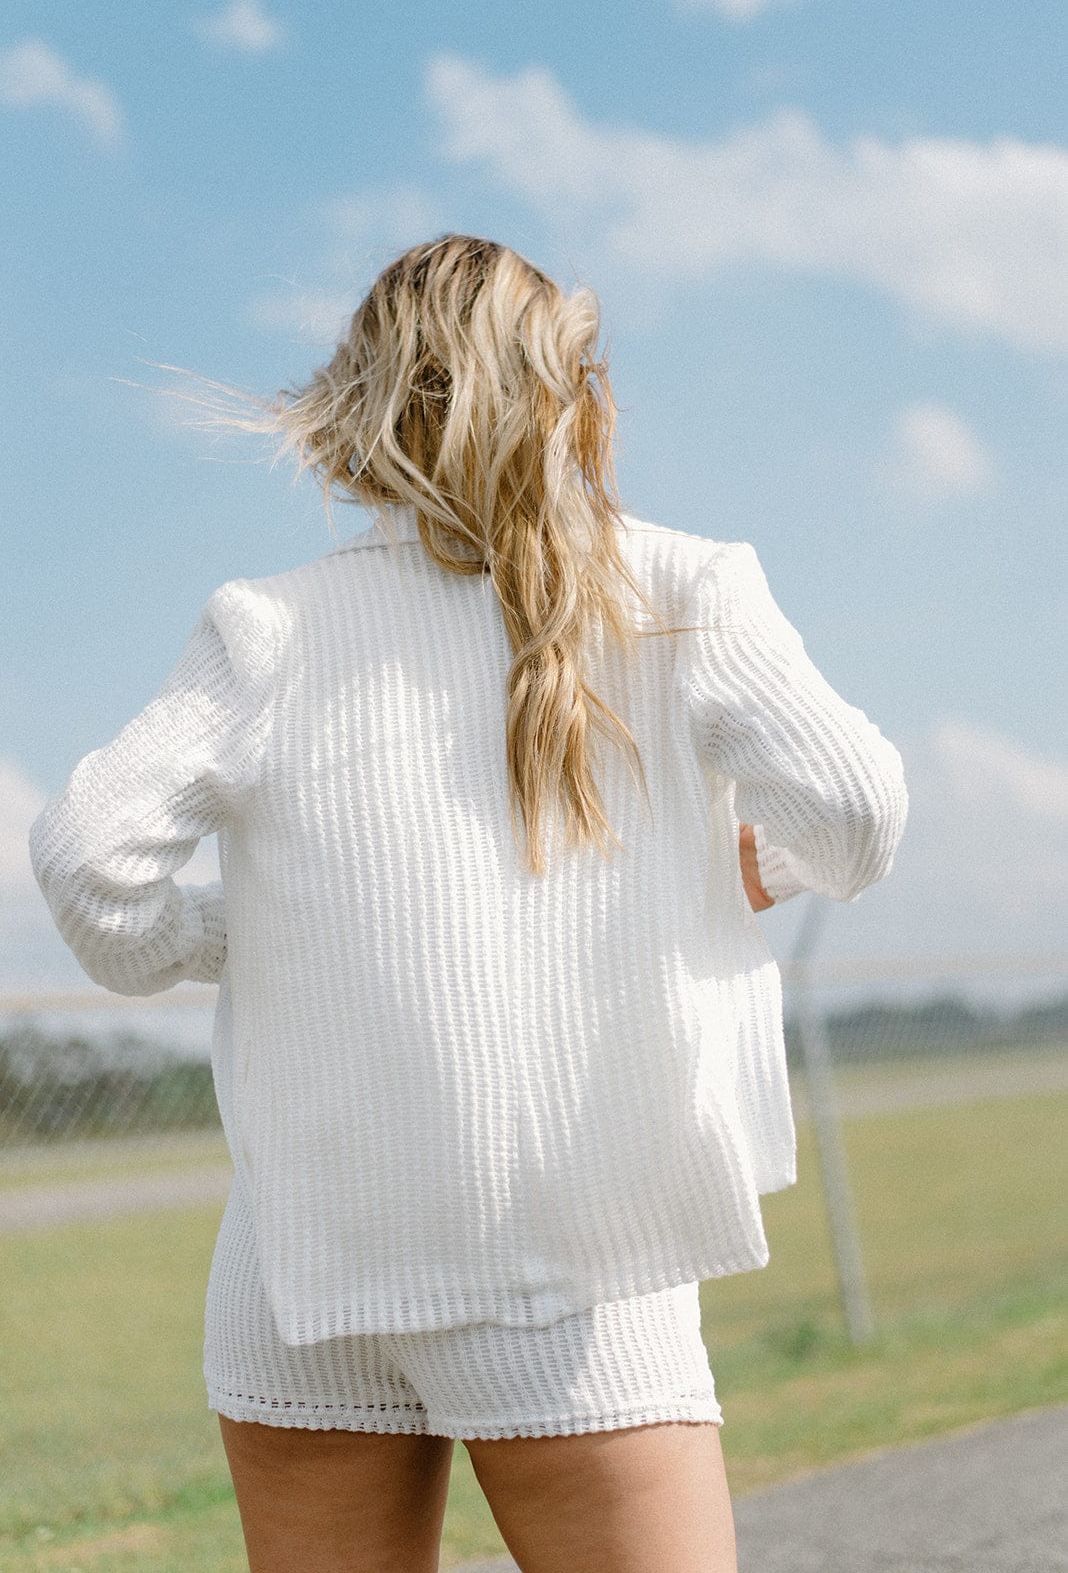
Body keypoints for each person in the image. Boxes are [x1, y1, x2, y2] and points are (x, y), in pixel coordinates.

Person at [28, 233, 909, 1573]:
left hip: (301, 1267)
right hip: (567, 1266)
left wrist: (234, 942)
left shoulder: (263, 626)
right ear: (579, 395)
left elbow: (92, 861)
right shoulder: (681, 588)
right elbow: (854, 810)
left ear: (355, 407)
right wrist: (756, 868)